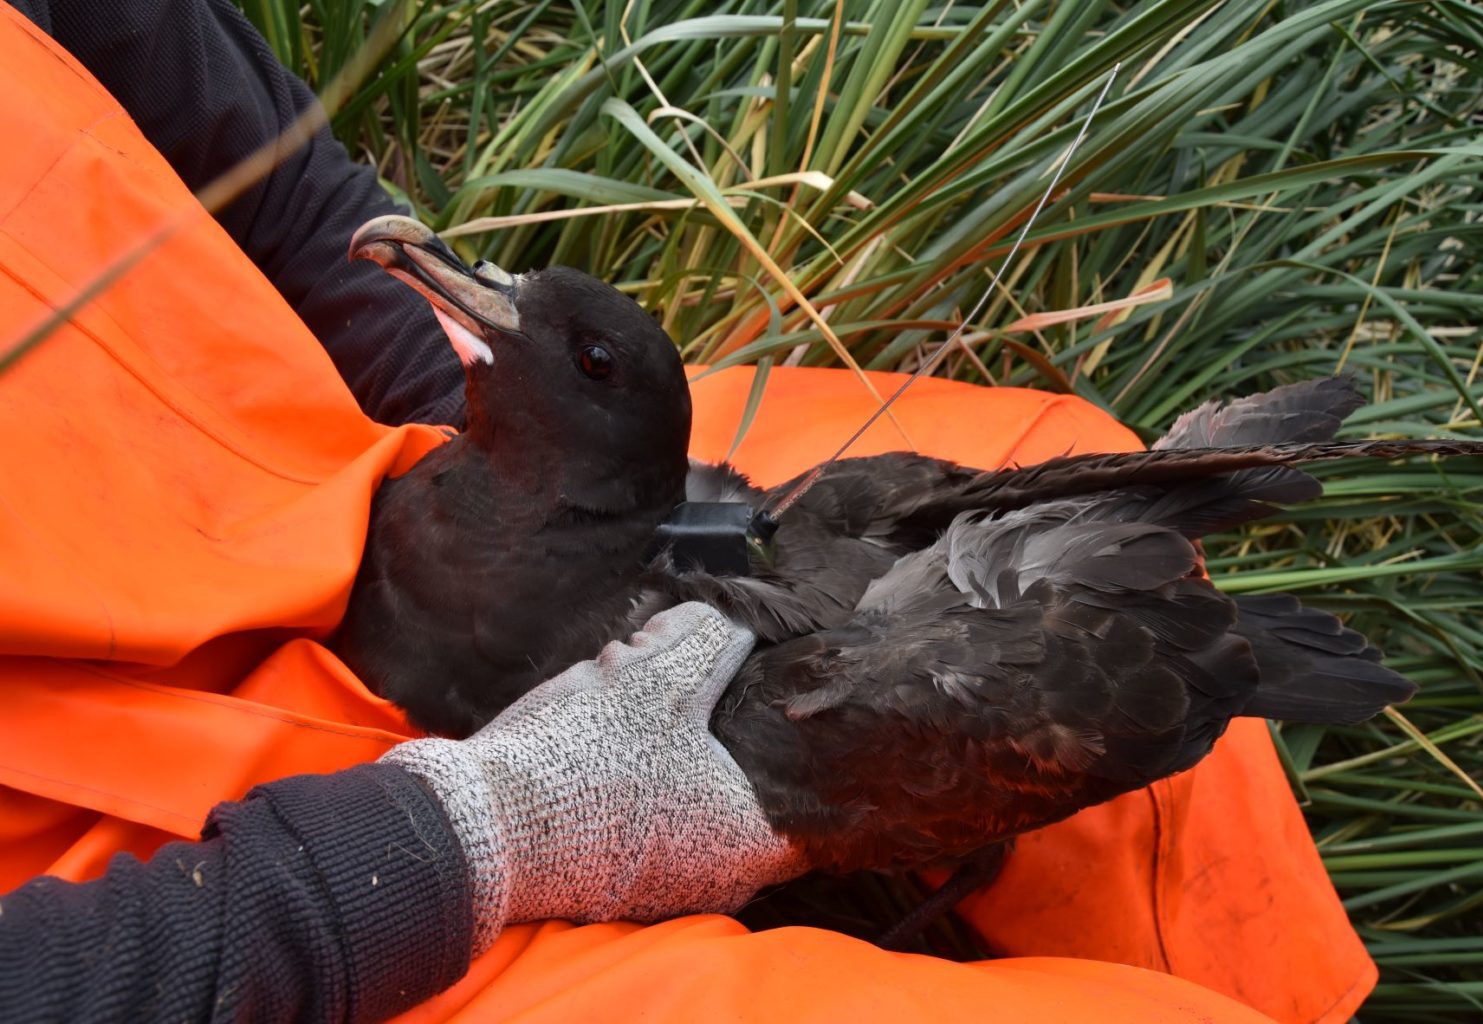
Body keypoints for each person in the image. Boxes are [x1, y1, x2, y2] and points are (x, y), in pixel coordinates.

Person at [0, 3, 1373, 1022]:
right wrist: (472, 834)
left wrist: (532, 483)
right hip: (173, 879)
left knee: (1054, 473)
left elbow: (290, 198)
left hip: (378, 492)